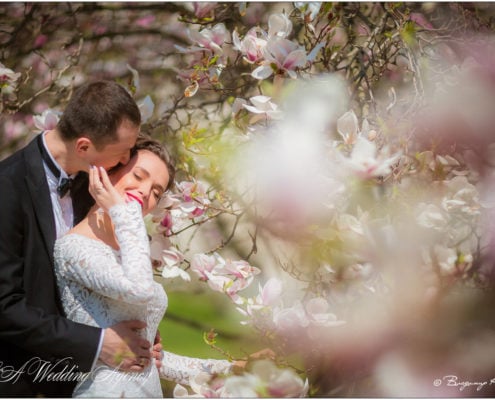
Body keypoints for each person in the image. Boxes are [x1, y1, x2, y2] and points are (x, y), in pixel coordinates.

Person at [0, 81, 161, 397]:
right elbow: (4, 306)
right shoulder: (6, 188)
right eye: (123, 151)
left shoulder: (96, 184)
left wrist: (144, 337)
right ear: (84, 147)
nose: (128, 158)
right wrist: (99, 342)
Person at [53, 135, 239, 397]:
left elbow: (147, 361)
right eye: (138, 176)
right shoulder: (75, 248)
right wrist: (124, 214)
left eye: (156, 191)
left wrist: (234, 369)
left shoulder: (128, 252)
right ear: (104, 173)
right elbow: (139, 290)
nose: (144, 192)